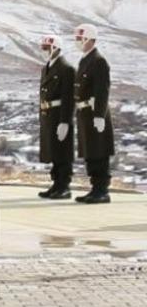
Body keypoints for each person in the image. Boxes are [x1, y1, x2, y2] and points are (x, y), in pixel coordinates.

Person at [73, 23, 115, 204]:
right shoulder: (85, 60)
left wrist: (99, 115)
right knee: (90, 152)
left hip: (94, 113)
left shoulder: (99, 61)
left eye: (79, 39)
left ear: (88, 39)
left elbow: (102, 91)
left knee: (99, 151)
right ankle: (94, 188)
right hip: (84, 113)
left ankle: (101, 190)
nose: (77, 42)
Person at [36, 35, 75, 199]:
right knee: (53, 151)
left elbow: (69, 97)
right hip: (48, 115)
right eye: (43, 48)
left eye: (46, 48)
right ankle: (56, 184)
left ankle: (64, 186)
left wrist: (65, 121)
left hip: (59, 115)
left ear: (55, 48)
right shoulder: (47, 68)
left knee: (62, 151)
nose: (44, 51)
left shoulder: (67, 69)